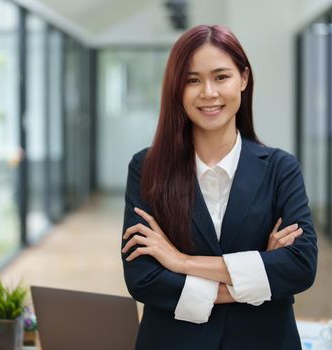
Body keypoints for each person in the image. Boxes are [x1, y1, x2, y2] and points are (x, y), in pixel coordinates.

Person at [121, 24, 318, 350]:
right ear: (176, 88)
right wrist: (258, 274)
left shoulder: (281, 168)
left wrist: (180, 262)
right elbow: (143, 278)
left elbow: (300, 266)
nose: (208, 92)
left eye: (221, 77)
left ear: (243, 79)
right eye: (193, 80)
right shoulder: (147, 168)